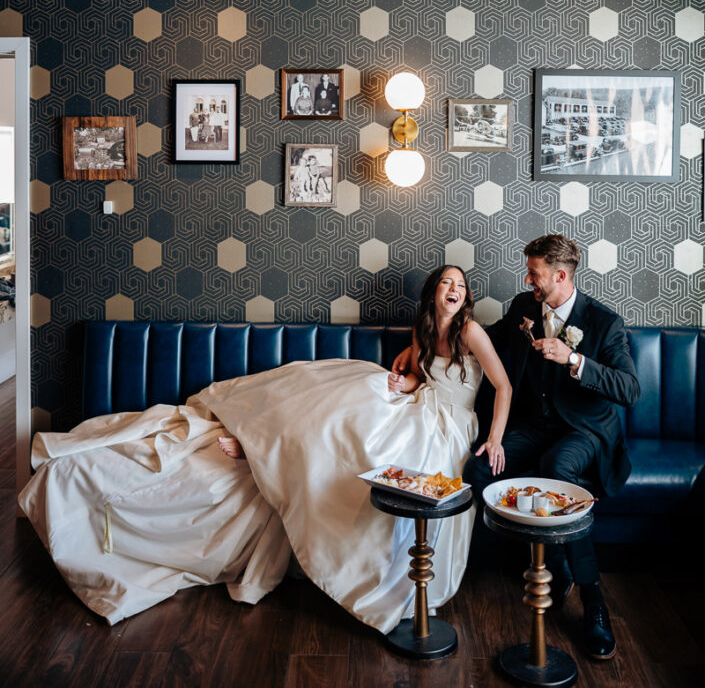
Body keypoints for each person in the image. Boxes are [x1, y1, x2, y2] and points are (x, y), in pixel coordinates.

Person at [18, 265, 511, 634]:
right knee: (354, 387)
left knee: (368, 422)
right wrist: (404, 382)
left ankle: (264, 445)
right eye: (446, 283)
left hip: (450, 424)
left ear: (466, 297)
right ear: (433, 293)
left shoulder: (470, 331)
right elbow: (413, 376)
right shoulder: (422, 331)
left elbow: (503, 386)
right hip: (419, 405)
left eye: (460, 285)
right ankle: (263, 436)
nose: (453, 289)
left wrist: (493, 437)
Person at [394, 234, 640, 661]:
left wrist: (574, 360)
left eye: (534, 273)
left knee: (558, 471)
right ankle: (553, 565)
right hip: (533, 425)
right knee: (476, 470)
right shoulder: (524, 307)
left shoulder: (604, 322)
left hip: (582, 430)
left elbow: (630, 389)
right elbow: (479, 339)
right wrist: (419, 344)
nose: (527, 280)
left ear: (560, 276)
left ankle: (594, 602)